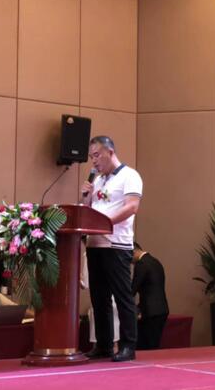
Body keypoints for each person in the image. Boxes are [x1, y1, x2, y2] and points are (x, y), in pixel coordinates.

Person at [81, 136, 142, 362]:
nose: (94, 161)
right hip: (95, 244)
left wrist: (105, 224)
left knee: (122, 296)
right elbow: (87, 210)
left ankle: (128, 345)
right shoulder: (97, 180)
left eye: (97, 155)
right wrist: (86, 197)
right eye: (91, 157)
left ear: (110, 152)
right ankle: (104, 345)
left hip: (116, 245)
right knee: (99, 298)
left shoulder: (130, 176)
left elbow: (132, 207)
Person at [132, 242, 169, 350]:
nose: (129, 261)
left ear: (133, 252)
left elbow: (133, 289)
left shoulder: (141, 264)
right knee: (153, 345)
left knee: (145, 347)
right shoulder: (155, 261)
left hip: (150, 312)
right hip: (161, 309)